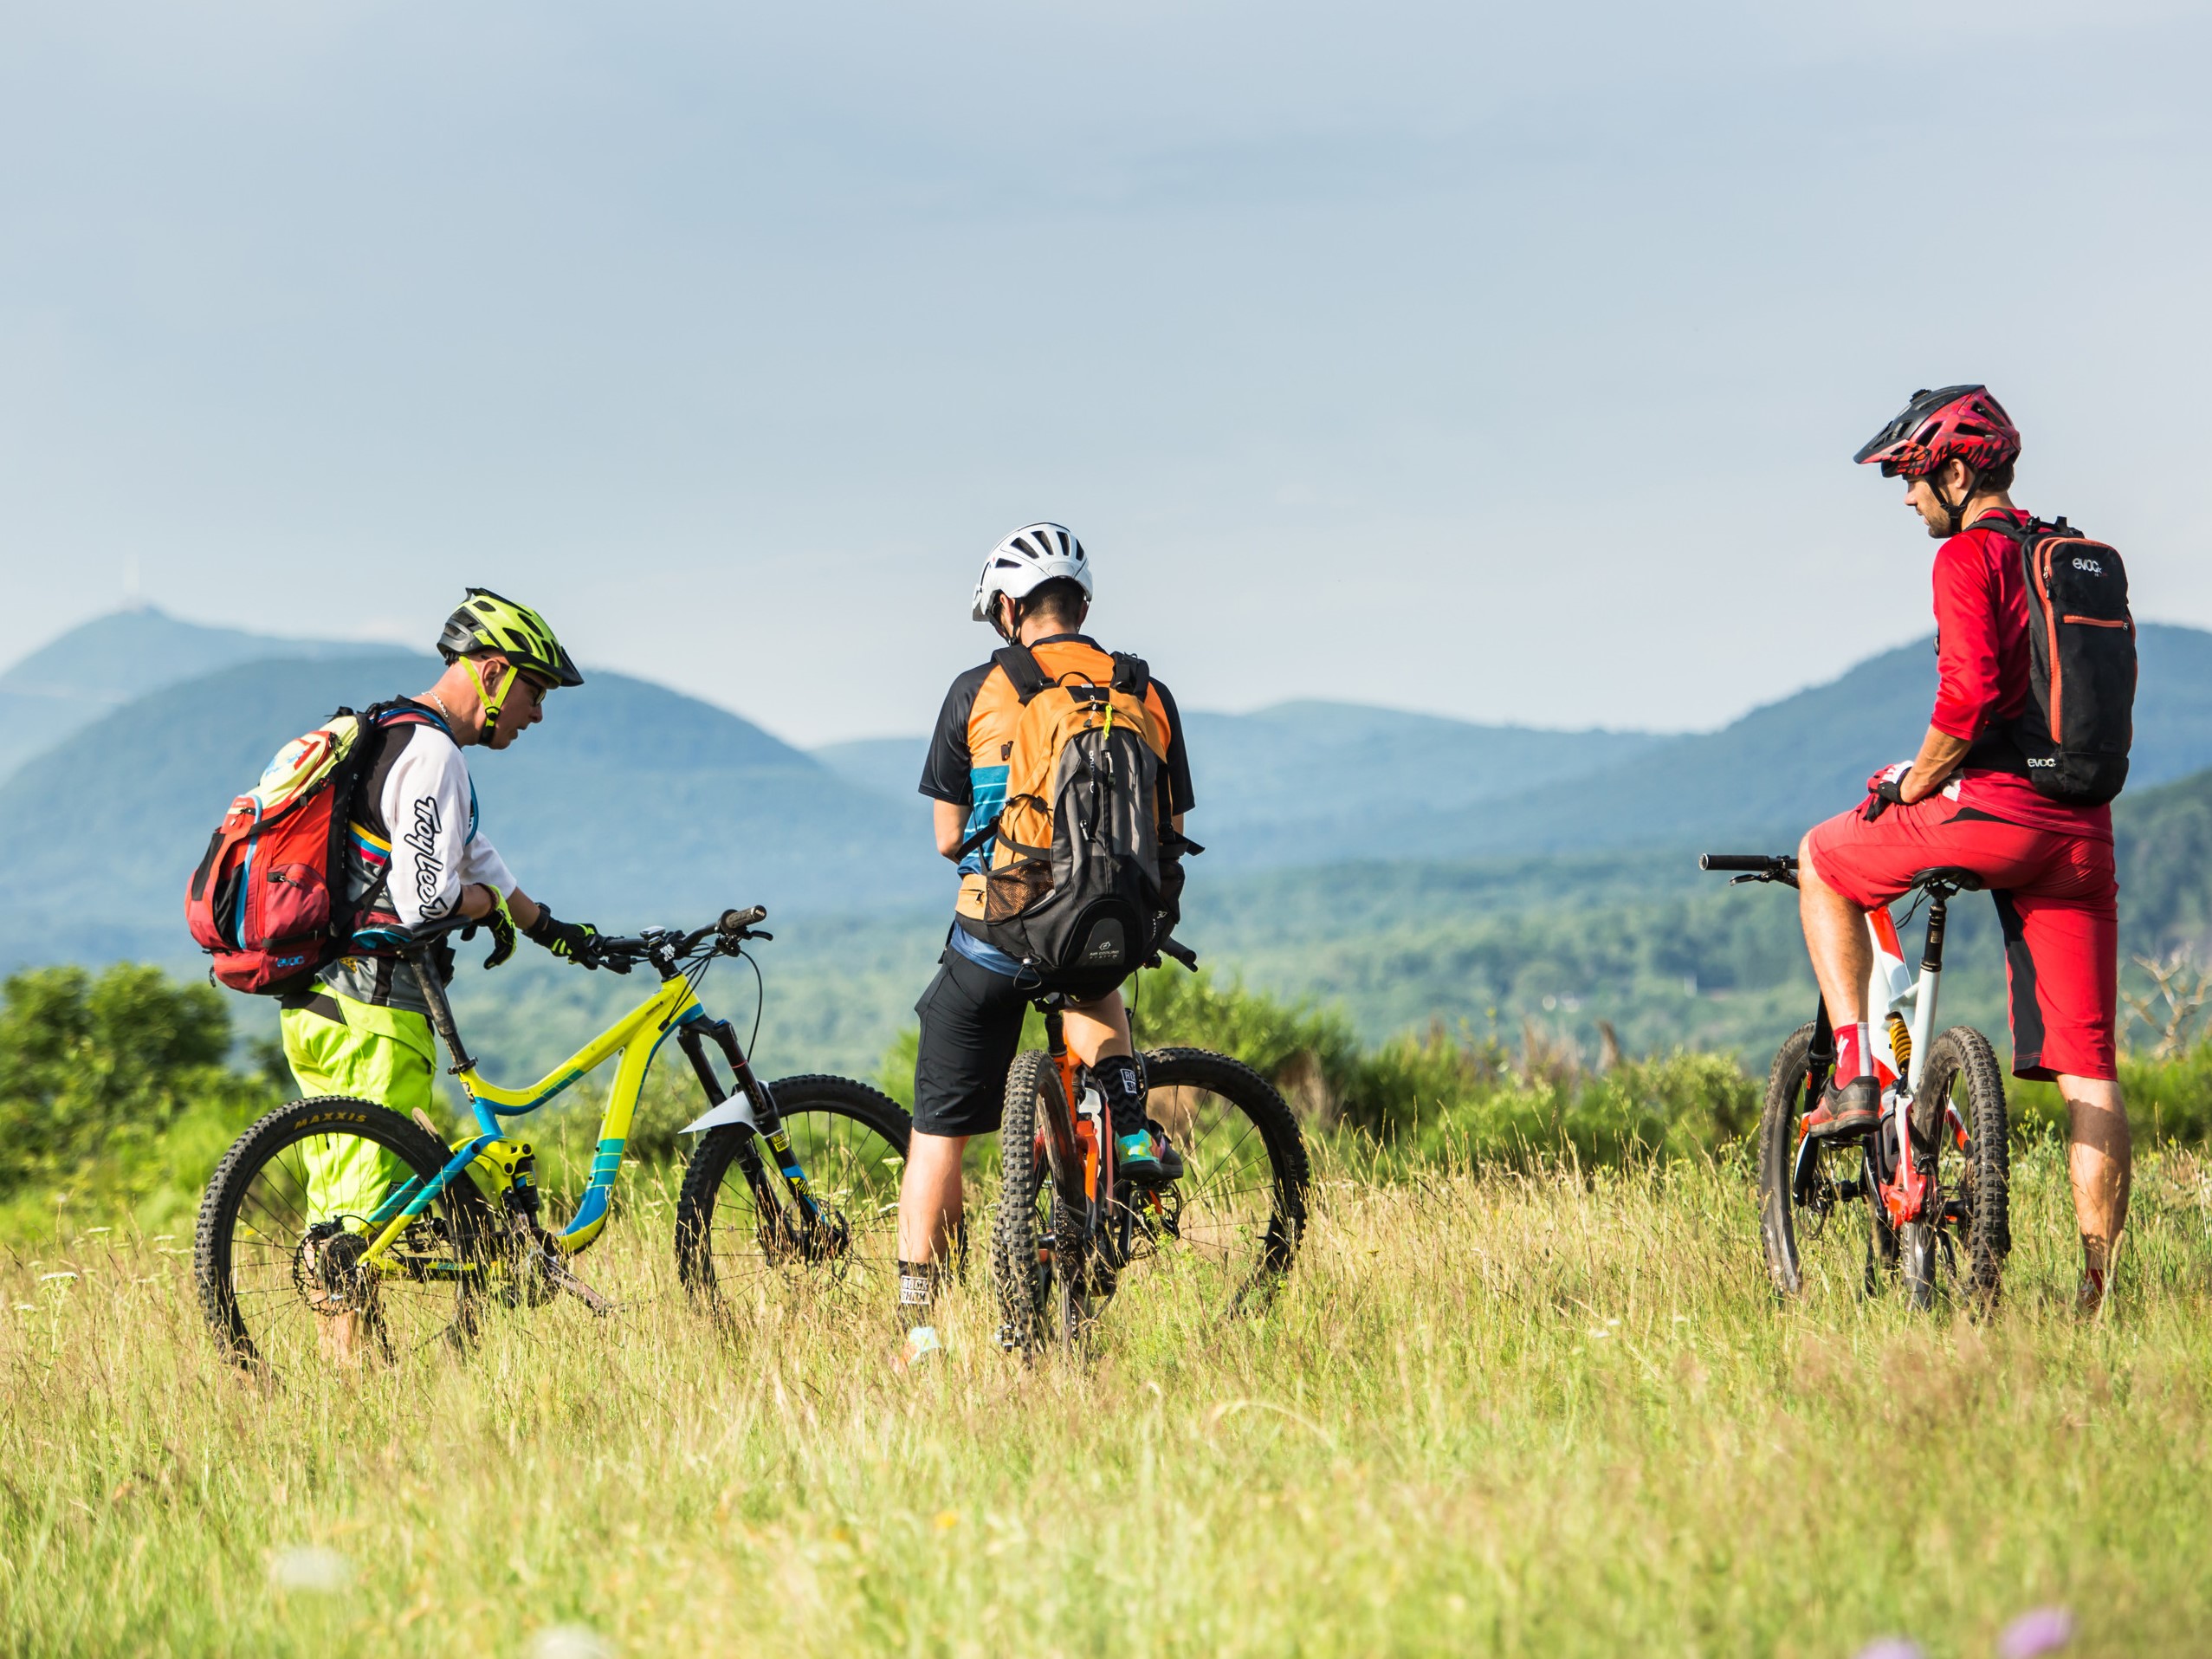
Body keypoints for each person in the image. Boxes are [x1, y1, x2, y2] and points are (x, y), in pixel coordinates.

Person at [1796, 386, 2128, 1312]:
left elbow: (1969, 696)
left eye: (1910, 478)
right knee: (2089, 1070)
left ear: (1953, 470)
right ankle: (2097, 1296)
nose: (1907, 499)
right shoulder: (2065, 557)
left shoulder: (1967, 557)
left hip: (1991, 812)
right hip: (2082, 828)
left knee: (1820, 858)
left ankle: (1857, 1071)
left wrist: (1912, 781)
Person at [895, 523, 1196, 1365]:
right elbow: (1169, 831)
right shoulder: (1144, 688)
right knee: (1095, 992)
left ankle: (918, 1330)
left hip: (996, 932)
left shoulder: (978, 688)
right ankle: (1126, 1129)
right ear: (1083, 604)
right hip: (1104, 929)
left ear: (1006, 608)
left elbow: (946, 840)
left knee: (937, 1135)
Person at [284, 589, 614, 1254]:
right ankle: (348, 1364)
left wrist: (543, 923)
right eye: (536, 690)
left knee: (337, 1199)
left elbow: (469, 850)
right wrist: (487, 908)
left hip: (319, 1004)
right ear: (492, 671)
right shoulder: (435, 755)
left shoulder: (393, 731)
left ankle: (340, 1361)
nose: (539, 713)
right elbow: (427, 896)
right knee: (361, 1226)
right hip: (377, 1010)